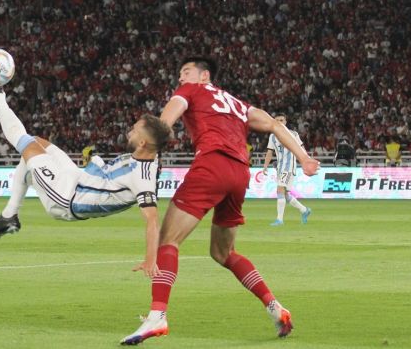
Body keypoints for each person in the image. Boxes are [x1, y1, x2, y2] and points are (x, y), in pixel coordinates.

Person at [121, 57, 319, 345]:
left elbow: (162, 127)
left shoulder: (190, 91)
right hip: (239, 173)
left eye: (185, 72)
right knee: (223, 253)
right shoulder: (236, 103)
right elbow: (274, 125)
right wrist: (303, 158)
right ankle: (275, 307)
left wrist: (145, 147)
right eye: (179, 75)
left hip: (211, 165)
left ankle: (157, 316)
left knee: (168, 241)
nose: (181, 78)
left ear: (204, 76)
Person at [0, 91, 172, 277]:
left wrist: (150, 260)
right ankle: (9, 216)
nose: (129, 132)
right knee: (37, 142)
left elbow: (152, 219)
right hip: (76, 178)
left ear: (142, 144)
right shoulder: (143, 156)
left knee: (25, 144)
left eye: (134, 131)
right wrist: (93, 161)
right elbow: (111, 179)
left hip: (67, 197)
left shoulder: (143, 177)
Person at [261, 113, 311, 226]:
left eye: (282, 120)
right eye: (277, 120)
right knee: (285, 194)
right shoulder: (272, 136)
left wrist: (306, 161)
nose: (279, 122)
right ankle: (304, 210)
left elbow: (301, 148)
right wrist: (265, 166)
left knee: (280, 190)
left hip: (289, 167)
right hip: (280, 167)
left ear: (285, 122)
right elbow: (269, 152)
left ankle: (279, 220)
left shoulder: (293, 134)